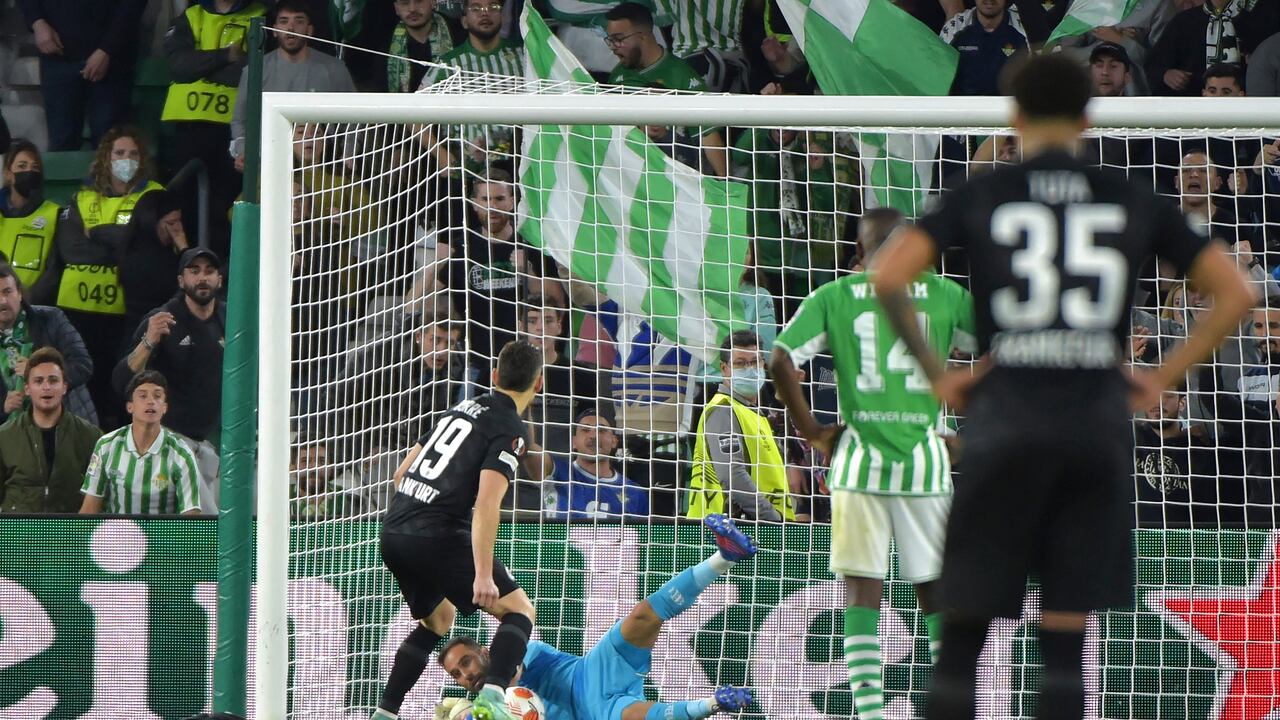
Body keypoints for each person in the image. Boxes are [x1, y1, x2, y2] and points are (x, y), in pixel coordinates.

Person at [866, 54, 1254, 720]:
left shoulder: (983, 192)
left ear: (1015, 118)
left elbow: (888, 277)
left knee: (962, 639)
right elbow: (1236, 292)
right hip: (1093, 428)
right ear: (1086, 119)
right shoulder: (1130, 195)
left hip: (1005, 424)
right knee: (1065, 647)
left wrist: (940, 375)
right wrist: (1161, 376)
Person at [768, 206, 976, 720]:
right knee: (935, 591)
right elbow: (1005, 352)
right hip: (925, 460)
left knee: (862, 591)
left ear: (859, 252)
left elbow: (779, 359)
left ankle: (870, 713)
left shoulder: (835, 295)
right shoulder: (947, 294)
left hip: (858, 460)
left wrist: (812, 431)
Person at [436, 514, 757, 720]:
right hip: (597, 713)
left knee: (642, 615)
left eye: (466, 662)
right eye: (456, 674)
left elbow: (513, 671)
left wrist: (474, 714)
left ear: (485, 652)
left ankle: (726, 557)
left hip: (592, 673)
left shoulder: (517, 654)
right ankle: (715, 703)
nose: (466, 675)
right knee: (634, 717)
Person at [374, 340, 543, 720]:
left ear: (495, 376)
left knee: (438, 620)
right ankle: (493, 699)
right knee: (519, 610)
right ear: (539, 384)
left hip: (394, 531)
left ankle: (385, 712)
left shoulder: (460, 409)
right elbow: (487, 502)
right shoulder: (511, 430)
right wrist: (483, 574)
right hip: (436, 533)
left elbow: (401, 474)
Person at [33, 127, 163, 427]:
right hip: (77, 307)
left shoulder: (153, 194)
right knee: (80, 381)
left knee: (118, 386)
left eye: (133, 153)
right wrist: (120, 242)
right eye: (119, 153)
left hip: (123, 310)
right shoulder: (83, 197)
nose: (126, 159)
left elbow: (141, 246)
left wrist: (97, 233)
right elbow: (73, 249)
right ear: (106, 157)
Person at [113, 248, 225, 514]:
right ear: (181, 280)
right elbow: (121, 381)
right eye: (194, 271)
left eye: (209, 271)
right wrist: (149, 341)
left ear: (219, 280)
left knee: (222, 515)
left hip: (214, 442)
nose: (202, 278)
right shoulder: (163, 319)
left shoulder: (230, 318)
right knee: (207, 520)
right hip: (173, 439)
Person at [162, 0, 265, 257]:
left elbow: (253, 70)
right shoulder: (192, 16)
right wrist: (225, 57)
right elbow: (179, 66)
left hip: (235, 131)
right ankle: (190, 267)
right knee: (185, 204)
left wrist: (203, 67)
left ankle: (221, 269)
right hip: (189, 127)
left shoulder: (263, 15)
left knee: (225, 208)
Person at [603, 3, 729, 178]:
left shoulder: (682, 76)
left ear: (642, 36)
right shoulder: (617, 77)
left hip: (674, 177)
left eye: (618, 39)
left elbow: (708, 137)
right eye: (610, 40)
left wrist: (724, 183)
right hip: (629, 176)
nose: (613, 47)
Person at [230, 2, 357, 169]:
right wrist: (243, 151)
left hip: (323, 167)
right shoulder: (255, 70)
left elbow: (355, 119)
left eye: (299, 21)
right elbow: (240, 120)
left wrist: (348, 153)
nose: (291, 28)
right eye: (284, 21)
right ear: (274, 30)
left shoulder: (334, 69)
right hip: (268, 164)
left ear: (309, 30)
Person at [687, 330, 794, 522]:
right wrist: (772, 518)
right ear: (724, 368)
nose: (750, 369)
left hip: (759, 526)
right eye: (740, 363)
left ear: (763, 364)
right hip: (729, 530)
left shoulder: (754, 414)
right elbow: (731, 474)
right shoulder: (722, 410)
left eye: (754, 361)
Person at [17, 0, 146, 150]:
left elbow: (133, 5)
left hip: (113, 60)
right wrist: (37, 22)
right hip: (57, 54)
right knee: (62, 141)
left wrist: (108, 49)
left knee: (110, 142)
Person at [79, 370, 202, 516]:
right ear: (130, 407)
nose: (151, 401)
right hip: (117, 531)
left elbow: (191, 515)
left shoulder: (181, 453)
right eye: (143, 396)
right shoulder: (106, 446)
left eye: (157, 396)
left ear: (164, 408)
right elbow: (89, 509)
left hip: (162, 532)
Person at [0, 346, 102, 513]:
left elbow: (98, 494)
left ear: (64, 387)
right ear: (27, 389)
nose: (46, 387)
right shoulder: (4, 437)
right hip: (18, 528)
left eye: (53, 380)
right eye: (39, 381)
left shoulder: (90, 436)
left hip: (70, 527)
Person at [0, 263, 97, 426]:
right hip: (12, 433)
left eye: (7, 292)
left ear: (20, 293)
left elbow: (83, 365)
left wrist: (38, 371)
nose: (3, 301)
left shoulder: (51, 319)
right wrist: (2, 408)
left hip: (67, 424)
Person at [519, 296, 613, 459]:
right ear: (521, 327)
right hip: (518, 464)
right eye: (532, 321)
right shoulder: (505, 373)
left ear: (559, 326)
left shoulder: (582, 376)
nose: (541, 328)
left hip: (568, 468)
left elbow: (594, 428)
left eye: (548, 321)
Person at [525, 410, 650, 519]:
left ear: (614, 441)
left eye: (601, 430)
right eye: (585, 430)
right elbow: (527, 445)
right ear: (574, 442)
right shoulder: (556, 473)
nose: (594, 436)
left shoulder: (635, 492)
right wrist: (524, 402)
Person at [116, 190, 189, 339]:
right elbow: (186, 288)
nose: (178, 229)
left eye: (179, 221)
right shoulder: (140, 258)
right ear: (151, 223)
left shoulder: (165, 253)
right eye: (171, 223)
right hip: (145, 335)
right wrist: (184, 249)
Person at [0, 140, 60, 291]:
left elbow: (53, 270)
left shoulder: (54, 214)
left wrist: (24, 300)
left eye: (35, 167)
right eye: (22, 166)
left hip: (33, 301)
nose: (29, 171)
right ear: (8, 174)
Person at [939, 0, 1029, 97]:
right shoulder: (954, 27)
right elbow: (939, 75)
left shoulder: (1025, 28)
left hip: (1010, 105)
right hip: (962, 105)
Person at [387, 0, 457, 92]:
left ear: (433, 2)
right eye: (405, 3)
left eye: (419, 1)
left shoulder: (457, 35)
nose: (412, 9)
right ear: (396, 8)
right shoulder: (386, 46)